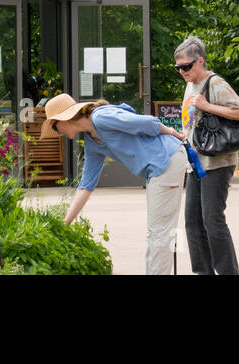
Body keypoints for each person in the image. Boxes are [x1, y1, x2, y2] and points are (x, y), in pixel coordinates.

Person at [41, 92, 188, 275]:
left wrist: (172, 132)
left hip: (168, 159)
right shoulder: (91, 142)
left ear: (62, 120)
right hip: (157, 168)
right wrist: (66, 223)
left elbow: (148, 123)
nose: (57, 133)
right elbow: (86, 185)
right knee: (156, 232)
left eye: (55, 128)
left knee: (160, 233)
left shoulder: (102, 118)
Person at [177, 36, 239, 275]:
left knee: (212, 221)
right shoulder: (189, 85)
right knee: (192, 221)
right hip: (196, 161)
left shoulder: (214, 82)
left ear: (200, 61)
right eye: (178, 67)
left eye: (186, 66)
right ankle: (202, 271)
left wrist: (207, 106)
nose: (182, 71)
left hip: (217, 162)